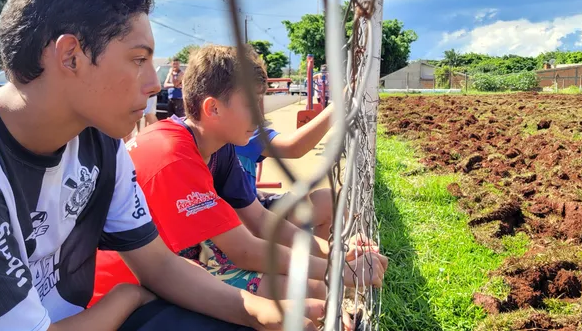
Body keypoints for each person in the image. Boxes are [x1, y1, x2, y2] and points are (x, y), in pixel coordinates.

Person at [0, 0, 322, 331]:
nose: (156, 84)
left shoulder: (101, 142)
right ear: (70, 56)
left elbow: (158, 264)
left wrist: (257, 312)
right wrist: (128, 296)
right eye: (138, 59)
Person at [93, 45, 385, 306]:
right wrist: (339, 272)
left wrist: (336, 254)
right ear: (213, 108)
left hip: (174, 262)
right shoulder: (173, 155)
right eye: (251, 105)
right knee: (314, 296)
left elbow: (259, 220)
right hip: (123, 289)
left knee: (315, 289)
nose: (260, 117)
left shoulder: (219, 146)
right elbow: (244, 250)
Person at [237, 104, 336, 239]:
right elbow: (294, 147)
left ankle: (321, 257)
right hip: (239, 223)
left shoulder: (243, 132)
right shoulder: (238, 134)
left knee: (327, 201)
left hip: (256, 207)